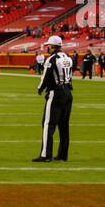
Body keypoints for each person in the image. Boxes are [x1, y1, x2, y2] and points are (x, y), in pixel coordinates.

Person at [33, 35, 73, 163]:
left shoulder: (51, 59)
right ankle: (62, 155)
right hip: (68, 92)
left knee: (48, 124)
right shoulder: (67, 57)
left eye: (48, 46)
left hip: (56, 93)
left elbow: (45, 77)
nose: (47, 48)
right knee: (64, 125)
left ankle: (46, 155)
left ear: (53, 46)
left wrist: (40, 88)